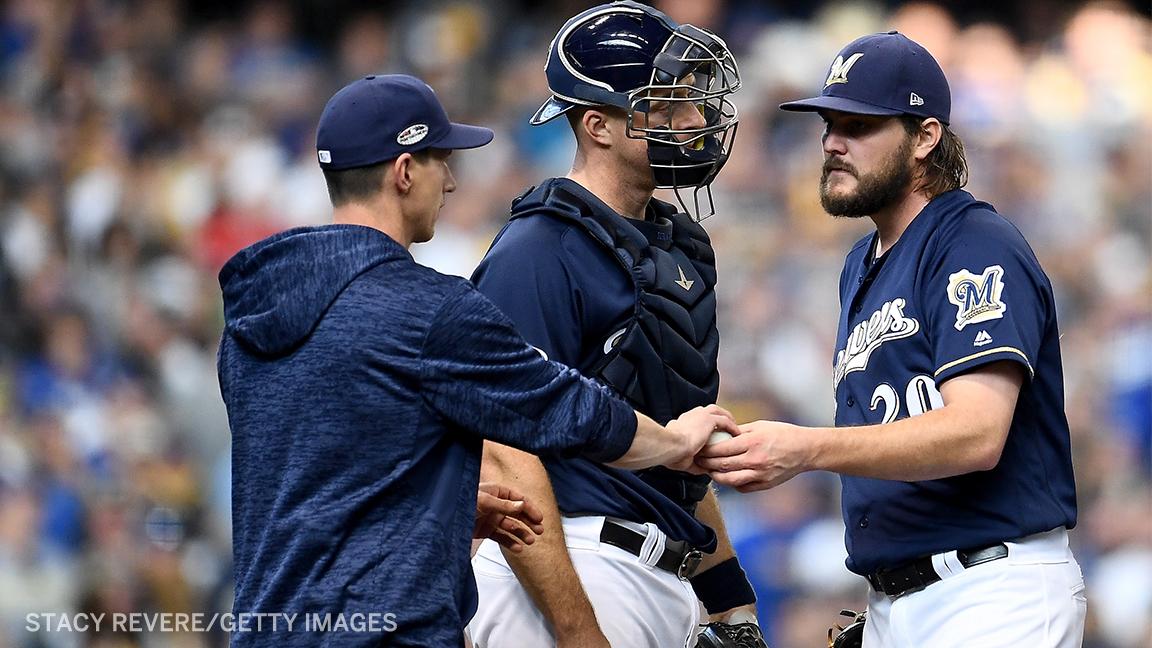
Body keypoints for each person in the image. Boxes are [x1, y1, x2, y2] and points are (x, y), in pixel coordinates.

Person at [216, 73, 739, 648]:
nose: (451, 181)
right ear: (404, 172)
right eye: (441, 160)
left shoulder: (250, 322)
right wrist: (675, 444)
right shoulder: (426, 310)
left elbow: (322, 490)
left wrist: (443, 509)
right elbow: (572, 410)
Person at [698, 32, 1086, 647]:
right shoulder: (863, 261)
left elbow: (977, 434)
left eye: (858, 125)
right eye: (829, 124)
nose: (832, 142)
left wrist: (806, 450)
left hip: (991, 588)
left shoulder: (972, 243)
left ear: (925, 137)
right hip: (900, 600)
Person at [465, 4, 766, 648]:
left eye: (689, 99)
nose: (691, 121)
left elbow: (682, 452)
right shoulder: (538, 249)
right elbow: (502, 452)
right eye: (665, 107)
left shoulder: (674, 246)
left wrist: (729, 601)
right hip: (564, 569)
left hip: (658, 573)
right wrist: (577, 630)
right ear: (597, 125)